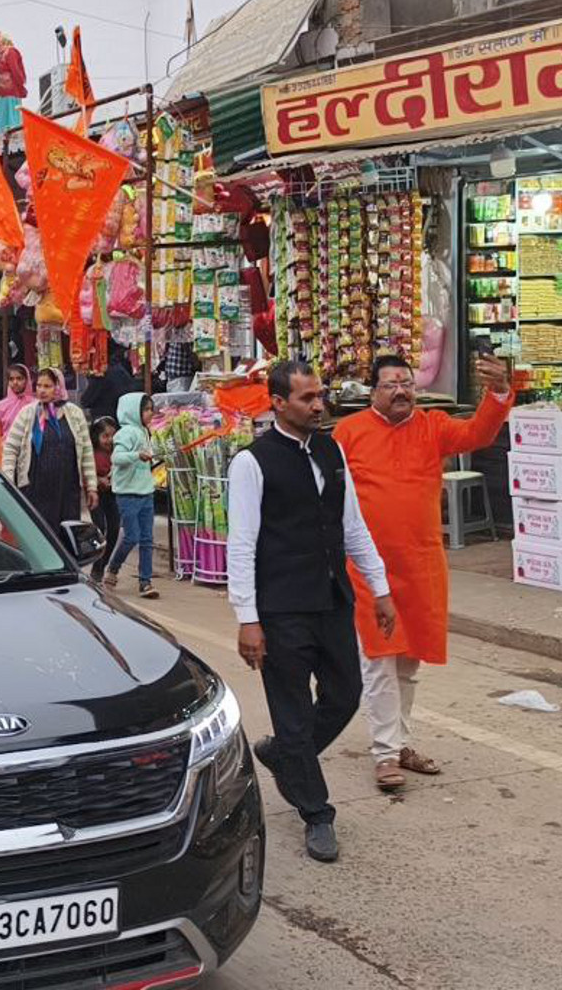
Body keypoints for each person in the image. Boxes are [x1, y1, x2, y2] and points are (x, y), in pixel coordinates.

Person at [226, 361, 395, 864]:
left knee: (346, 693)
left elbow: (352, 526)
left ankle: (284, 758)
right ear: (278, 403)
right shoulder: (252, 463)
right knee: (294, 714)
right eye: (306, 398)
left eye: (319, 396)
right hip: (280, 608)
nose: (318, 405)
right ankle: (316, 812)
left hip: (331, 599)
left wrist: (379, 587)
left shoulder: (330, 449)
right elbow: (242, 544)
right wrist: (247, 617)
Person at [335, 353, 513, 791]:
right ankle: (384, 754)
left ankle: (399, 743)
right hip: (367, 569)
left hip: (421, 565)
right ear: (372, 392)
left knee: (409, 661)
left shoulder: (432, 426)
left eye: (407, 383)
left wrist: (499, 391)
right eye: (391, 384)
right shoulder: (348, 433)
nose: (401, 390)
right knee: (379, 660)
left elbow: (479, 432)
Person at [2, 367, 97, 528]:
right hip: (35, 488)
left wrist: (92, 486)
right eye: (39, 386)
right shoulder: (27, 414)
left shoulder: (74, 414)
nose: (42, 391)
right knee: (39, 533)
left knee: (67, 534)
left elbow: (86, 452)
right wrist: (9, 481)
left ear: (58, 387)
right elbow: (11, 448)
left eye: (47, 386)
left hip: (67, 489)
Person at [103, 393, 159, 599]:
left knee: (147, 539)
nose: (150, 413)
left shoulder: (145, 432)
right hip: (127, 494)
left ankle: (145, 582)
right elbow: (116, 458)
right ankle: (114, 568)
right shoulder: (126, 433)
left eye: (151, 409)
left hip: (146, 493)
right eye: (146, 409)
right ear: (133, 411)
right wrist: (137, 455)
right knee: (132, 536)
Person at [80, 342, 140, 425]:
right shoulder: (122, 370)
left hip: (106, 422)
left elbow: (86, 401)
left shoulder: (101, 374)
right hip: (122, 419)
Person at [90, 416, 120, 570]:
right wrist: (97, 480)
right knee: (99, 527)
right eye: (105, 436)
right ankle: (96, 565)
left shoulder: (118, 452)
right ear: (96, 436)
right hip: (95, 494)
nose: (110, 440)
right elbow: (84, 473)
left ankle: (103, 564)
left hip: (112, 493)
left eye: (113, 435)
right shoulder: (91, 453)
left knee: (114, 527)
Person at [0, 31, 26, 133]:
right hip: (2, 94)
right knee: (4, 121)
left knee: (11, 120)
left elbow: (16, 71)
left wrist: (20, 88)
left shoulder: (11, 52)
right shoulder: (2, 55)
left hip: (10, 93)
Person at [0, 364, 36, 436]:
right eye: (11, 379)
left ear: (27, 380)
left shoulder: (35, 404)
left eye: (19, 378)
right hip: (6, 445)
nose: (15, 382)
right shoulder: (0, 407)